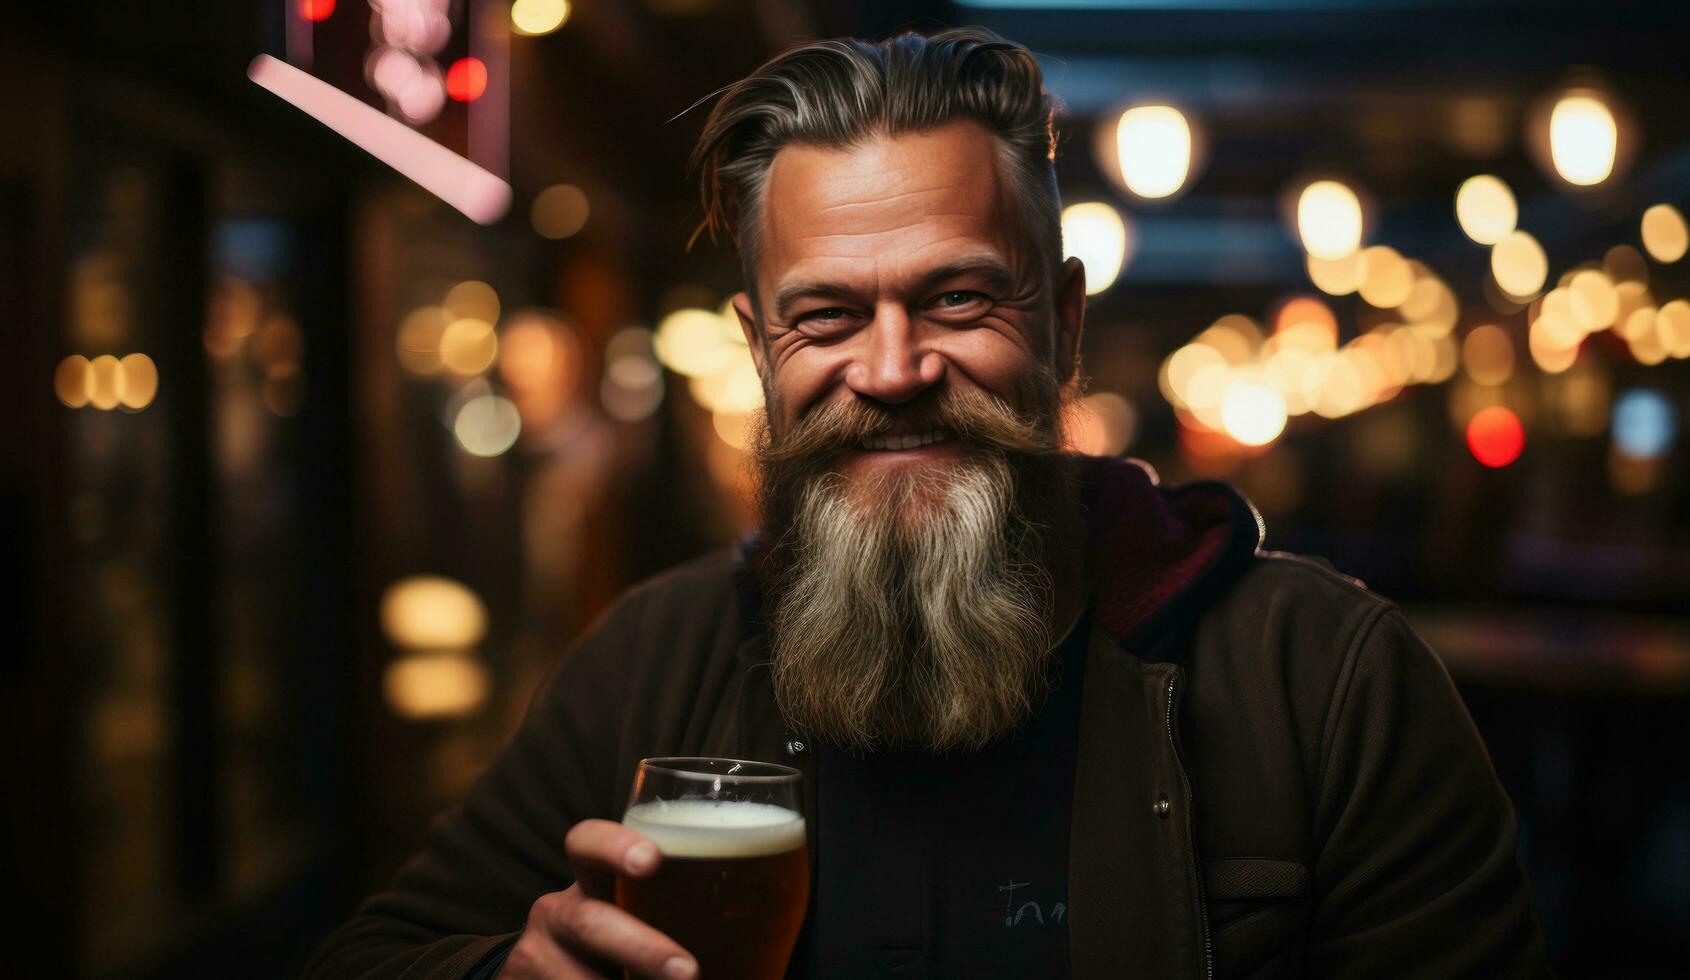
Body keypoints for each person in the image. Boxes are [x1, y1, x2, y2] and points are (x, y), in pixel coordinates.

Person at [308, 26, 1549, 980]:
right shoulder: (657, 651)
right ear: (761, 350)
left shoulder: (1327, 682)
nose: (893, 371)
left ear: (1062, 324)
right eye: (828, 316)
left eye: (957, 300)